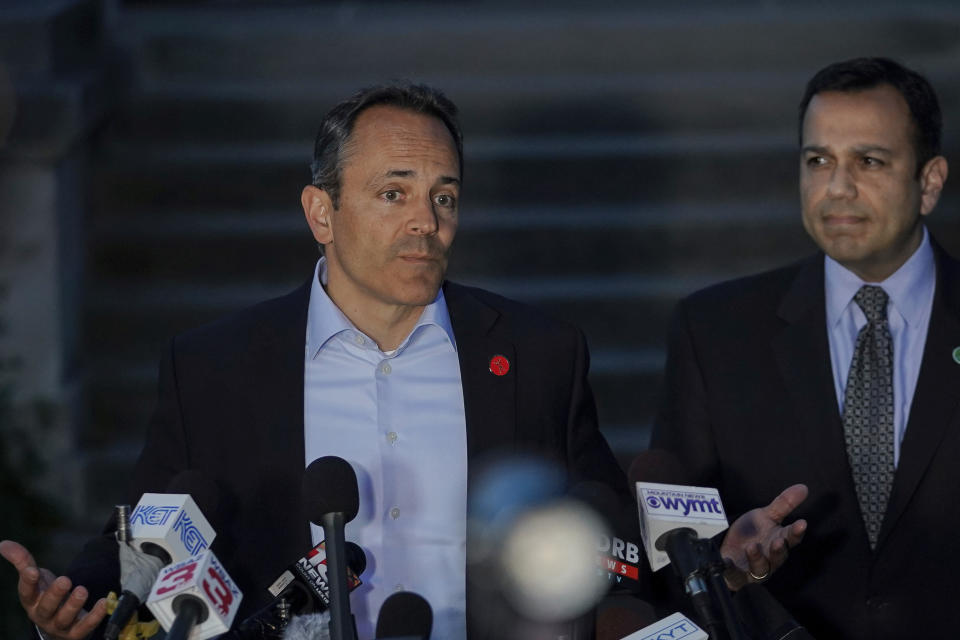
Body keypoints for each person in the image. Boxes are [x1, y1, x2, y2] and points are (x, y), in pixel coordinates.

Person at [3, 83, 806, 640]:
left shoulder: (537, 355)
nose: (426, 221)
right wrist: (73, 609)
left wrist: (712, 570)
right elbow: (152, 540)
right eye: (394, 192)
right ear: (322, 210)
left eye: (444, 196)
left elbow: (599, 550)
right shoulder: (215, 368)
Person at [652, 57, 956, 639]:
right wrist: (726, 564)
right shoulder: (714, 331)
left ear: (930, 182)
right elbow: (670, 543)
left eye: (869, 161)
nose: (837, 187)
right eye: (818, 160)